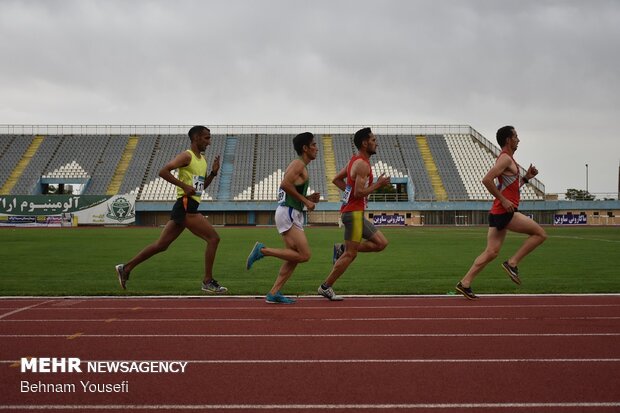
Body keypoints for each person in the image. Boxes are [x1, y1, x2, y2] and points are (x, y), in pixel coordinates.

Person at [114, 125, 227, 293]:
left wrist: (213, 173)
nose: (209, 142)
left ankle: (126, 268)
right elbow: (163, 171)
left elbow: (200, 188)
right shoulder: (186, 156)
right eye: (206, 138)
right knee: (213, 239)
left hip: (189, 203)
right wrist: (183, 185)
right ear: (196, 138)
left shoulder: (201, 160)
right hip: (185, 205)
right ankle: (207, 281)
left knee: (161, 245)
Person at [456, 125, 547, 300]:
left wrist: (526, 178)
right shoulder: (505, 159)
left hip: (499, 211)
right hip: (505, 212)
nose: (518, 139)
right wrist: (504, 201)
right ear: (508, 139)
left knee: (491, 252)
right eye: (516, 136)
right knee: (540, 234)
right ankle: (512, 263)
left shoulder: (510, 161)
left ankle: (465, 283)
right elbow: (487, 180)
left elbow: (509, 188)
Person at [245, 132, 320, 304]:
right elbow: (284, 185)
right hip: (288, 212)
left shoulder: (301, 166)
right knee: (305, 255)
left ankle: (274, 292)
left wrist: (308, 198)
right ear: (305, 148)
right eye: (314, 144)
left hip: (290, 211)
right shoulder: (298, 164)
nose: (317, 148)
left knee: (293, 257)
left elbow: (290, 189)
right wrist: (305, 202)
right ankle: (262, 251)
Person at [317, 127, 391, 301]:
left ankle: (341, 249)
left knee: (381, 243)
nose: (376, 142)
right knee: (351, 255)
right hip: (353, 214)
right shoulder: (362, 165)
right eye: (373, 140)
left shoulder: (354, 161)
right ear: (365, 143)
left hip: (355, 213)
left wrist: (348, 195)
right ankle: (325, 287)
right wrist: (378, 185)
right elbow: (358, 192)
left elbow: (337, 180)